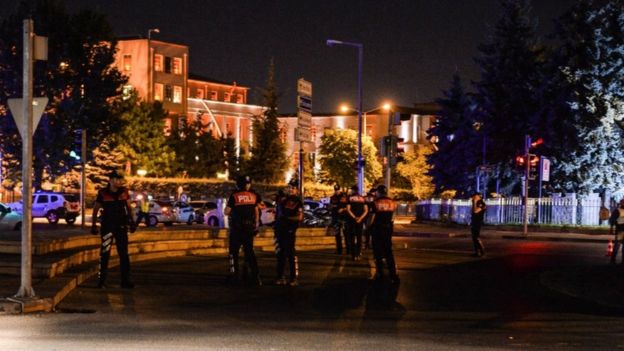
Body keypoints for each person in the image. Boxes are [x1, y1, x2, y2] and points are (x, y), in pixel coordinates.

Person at [90, 170, 136, 289]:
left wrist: (132, 222)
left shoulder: (124, 192)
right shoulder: (103, 193)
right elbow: (96, 209)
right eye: (116, 179)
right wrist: (94, 225)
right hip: (107, 227)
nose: (119, 182)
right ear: (110, 180)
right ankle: (101, 281)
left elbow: (129, 208)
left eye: (120, 179)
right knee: (105, 253)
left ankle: (125, 280)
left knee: (124, 254)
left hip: (121, 226)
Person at [224, 175, 262, 285]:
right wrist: (256, 227)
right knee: (250, 253)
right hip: (249, 229)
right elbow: (257, 211)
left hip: (237, 229)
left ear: (238, 184)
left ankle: (234, 275)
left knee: (233, 253)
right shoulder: (254, 195)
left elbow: (226, 211)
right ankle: (256, 277)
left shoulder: (234, 196)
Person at [274, 179, 304, 286]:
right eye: (290, 187)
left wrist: (288, 218)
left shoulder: (297, 202)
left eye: (293, 188)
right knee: (280, 254)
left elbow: (300, 217)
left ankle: (293, 277)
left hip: (290, 230)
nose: (291, 189)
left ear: (297, 189)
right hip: (280, 230)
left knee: (291, 254)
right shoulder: (283, 200)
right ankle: (280, 276)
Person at [369, 184, 399, 284]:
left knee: (377, 251)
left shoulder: (376, 202)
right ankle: (393, 274)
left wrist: (369, 228)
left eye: (376, 191)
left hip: (377, 228)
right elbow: (393, 216)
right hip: (388, 228)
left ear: (378, 192)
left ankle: (380, 273)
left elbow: (373, 216)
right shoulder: (392, 202)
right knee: (388, 252)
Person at [346, 185, 368, 260]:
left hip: (352, 220)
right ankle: (358, 253)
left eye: (351, 190)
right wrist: (360, 218)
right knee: (359, 237)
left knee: (352, 237)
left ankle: (353, 254)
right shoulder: (362, 198)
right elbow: (366, 210)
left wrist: (355, 217)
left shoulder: (350, 198)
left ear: (353, 190)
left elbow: (348, 209)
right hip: (360, 221)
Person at [328, 184, 348, 254]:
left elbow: (348, 207)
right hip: (335, 217)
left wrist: (343, 209)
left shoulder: (344, 196)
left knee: (346, 233)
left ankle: (348, 249)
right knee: (337, 234)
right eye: (336, 190)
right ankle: (339, 249)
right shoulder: (332, 197)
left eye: (338, 190)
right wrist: (331, 207)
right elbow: (330, 206)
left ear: (340, 189)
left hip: (344, 217)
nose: (337, 191)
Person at [470, 192, 486, 257]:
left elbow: (475, 211)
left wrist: (474, 202)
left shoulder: (481, 203)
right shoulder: (476, 203)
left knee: (476, 237)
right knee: (474, 237)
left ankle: (482, 252)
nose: (474, 197)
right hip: (474, 221)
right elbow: (472, 212)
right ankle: (477, 252)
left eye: (475, 196)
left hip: (478, 222)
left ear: (479, 196)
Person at [609, 199, 624, 264]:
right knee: (617, 246)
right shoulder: (617, 211)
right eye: (623, 202)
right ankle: (613, 260)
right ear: (621, 203)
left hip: (621, 230)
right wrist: (611, 228)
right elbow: (612, 220)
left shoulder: (617, 211)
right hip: (620, 231)